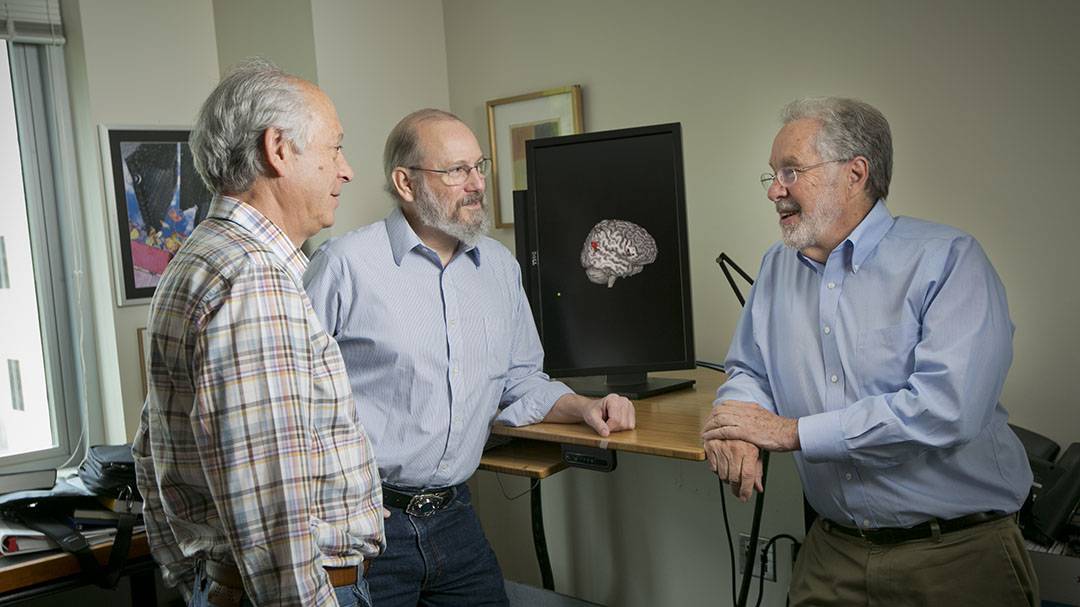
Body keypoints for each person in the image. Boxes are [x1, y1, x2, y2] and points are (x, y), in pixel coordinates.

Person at [700, 97, 1038, 605]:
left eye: (791, 171)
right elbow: (749, 368)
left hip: (955, 556)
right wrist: (737, 421)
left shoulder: (949, 261)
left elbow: (946, 410)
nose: (775, 190)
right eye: (772, 174)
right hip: (832, 553)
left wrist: (789, 432)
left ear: (855, 173)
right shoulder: (776, 267)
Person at [303, 108, 636, 606]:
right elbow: (294, 400)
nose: (477, 183)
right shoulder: (344, 265)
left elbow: (522, 381)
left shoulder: (499, 268)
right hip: (368, 524)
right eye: (457, 170)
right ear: (406, 182)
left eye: (479, 166)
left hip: (455, 518)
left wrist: (583, 406)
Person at [132, 58, 384, 607]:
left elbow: (150, 444)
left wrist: (190, 573)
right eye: (334, 148)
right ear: (278, 149)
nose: (347, 170)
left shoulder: (199, 256)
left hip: (229, 586)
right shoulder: (254, 278)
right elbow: (271, 500)